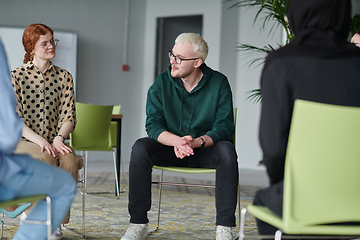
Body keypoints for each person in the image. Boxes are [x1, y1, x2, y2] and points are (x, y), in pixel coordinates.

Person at [254, 0, 360, 235]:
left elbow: (273, 150)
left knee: (266, 201)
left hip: (304, 201)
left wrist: (286, 186)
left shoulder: (281, 64)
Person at [121, 33, 238, 240]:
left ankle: (224, 227)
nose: (172, 61)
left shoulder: (219, 82)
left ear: (197, 62)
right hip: (169, 149)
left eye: (179, 58)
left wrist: (197, 141)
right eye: (172, 55)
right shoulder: (161, 82)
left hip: (205, 150)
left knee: (227, 149)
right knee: (141, 147)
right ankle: (138, 223)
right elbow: (153, 124)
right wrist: (177, 141)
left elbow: (224, 125)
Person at [10, 23, 82, 239]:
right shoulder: (16, 76)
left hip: (55, 139)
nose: (51, 46)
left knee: (69, 161)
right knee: (45, 159)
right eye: (45, 43)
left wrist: (60, 138)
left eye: (52, 41)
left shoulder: (64, 77)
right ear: (31, 48)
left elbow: (69, 115)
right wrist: (40, 140)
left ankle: (55, 220)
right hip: (24, 140)